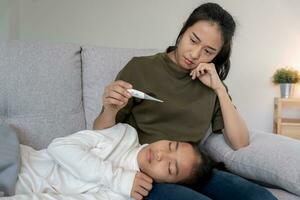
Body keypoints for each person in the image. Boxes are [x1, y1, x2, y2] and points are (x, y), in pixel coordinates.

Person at [93, 2, 278, 200]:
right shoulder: (141, 68)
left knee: (261, 197)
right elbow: (98, 135)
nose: (195, 54)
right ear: (183, 31)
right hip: (148, 171)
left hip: (192, 172)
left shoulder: (211, 84)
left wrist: (219, 89)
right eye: (193, 40)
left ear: (217, 55)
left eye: (208, 51)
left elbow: (240, 142)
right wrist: (109, 109)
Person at [0, 115, 215, 200]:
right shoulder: (124, 134)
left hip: (17, 187)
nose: (160, 155)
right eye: (171, 145)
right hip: (16, 156)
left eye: (170, 168)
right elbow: (60, 147)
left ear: (168, 184)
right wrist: (115, 177)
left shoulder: (125, 196)